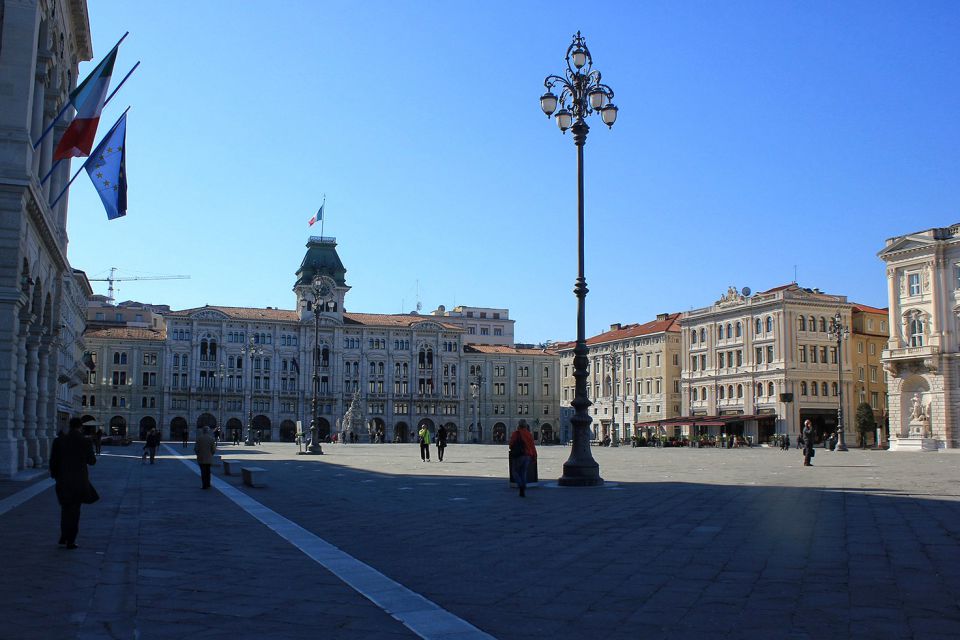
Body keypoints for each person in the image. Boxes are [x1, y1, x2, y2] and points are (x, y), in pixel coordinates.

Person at [49, 417, 97, 549]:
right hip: (79, 481)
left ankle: (64, 536)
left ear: (69, 426)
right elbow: (92, 461)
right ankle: (70, 539)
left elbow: (53, 461)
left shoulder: (59, 441)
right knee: (75, 511)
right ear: (80, 427)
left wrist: (55, 475)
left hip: (62, 480)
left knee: (65, 508)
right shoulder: (85, 441)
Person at [509, 421, 537, 497]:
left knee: (515, 471)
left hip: (519, 455)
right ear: (525, 426)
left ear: (519, 425)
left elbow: (511, 444)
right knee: (523, 472)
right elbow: (533, 446)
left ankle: (521, 485)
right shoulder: (529, 434)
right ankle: (523, 486)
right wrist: (534, 456)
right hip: (528, 456)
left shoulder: (516, 433)